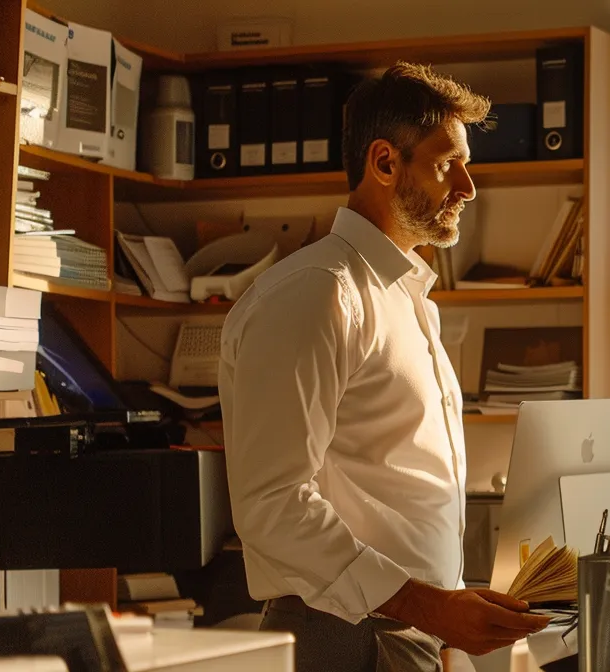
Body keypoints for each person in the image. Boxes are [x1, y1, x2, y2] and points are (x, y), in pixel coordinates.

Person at [219, 63, 550, 671]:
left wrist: (442, 615)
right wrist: (428, 607)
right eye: (449, 163)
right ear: (385, 163)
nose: (469, 187)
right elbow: (273, 503)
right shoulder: (317, 294)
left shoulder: (405, 297)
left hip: (406, 633)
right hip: (345, 637)